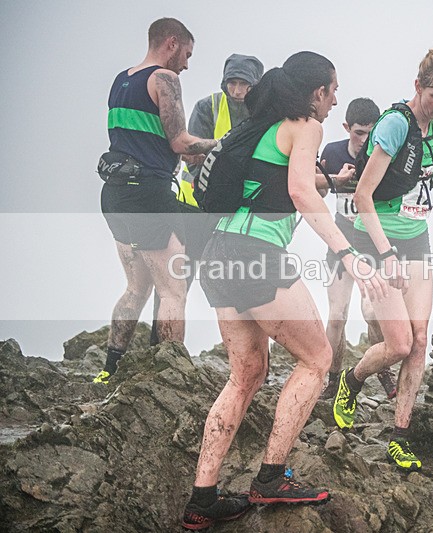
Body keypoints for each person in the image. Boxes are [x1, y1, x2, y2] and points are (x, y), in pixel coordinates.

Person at [181, 51, 389, 530]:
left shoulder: (261, 126)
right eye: (333, 90)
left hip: (217, 254)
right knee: (317, 359)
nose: (336, 100)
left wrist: (328, 181)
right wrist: (347, 254)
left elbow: (281, 177)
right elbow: (299, 191)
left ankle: (202, 499)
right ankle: (271, 477)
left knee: (246, 373)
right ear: (316, 92)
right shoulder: (306, 125)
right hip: (255, 256)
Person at [332, 49, 433, 472]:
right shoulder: (395, 124)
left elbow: (412, 178)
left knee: (420, 341)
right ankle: (351, 382)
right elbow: (363, 195)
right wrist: (386, 254)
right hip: (376, 242)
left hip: (416, 240)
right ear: (418, 87)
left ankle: (400, 436)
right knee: (398, 344)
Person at [96, 18, 217, 384]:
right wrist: (224, 147)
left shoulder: (122, 80)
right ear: (171, 43)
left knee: (137, 287)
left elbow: (145, 138)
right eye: (187, 54)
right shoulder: (165, 79)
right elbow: (179, 141)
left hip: (115, 193)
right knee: (173, 289)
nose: (186, 64)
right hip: (147, 194)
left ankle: (110, 369)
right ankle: (168, 376)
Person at [150, 53, 264, 346]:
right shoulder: (208, 107)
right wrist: (217, 187)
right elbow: (190, 156)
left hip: (234, 214)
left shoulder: (261, 114)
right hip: (193, 207)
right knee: (176, 280)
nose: (237, 91)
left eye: (244, 85)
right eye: (232, 83)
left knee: (237, 281)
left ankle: (245, 353)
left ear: (256, 86)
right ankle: (159, 347)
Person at [318, 98, 398, 400]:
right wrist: (329, 178)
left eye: (370, 133)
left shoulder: (382, 154)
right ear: (346, 128)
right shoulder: (333, 152)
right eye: (359, 133)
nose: (364, 140)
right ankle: (333, 379)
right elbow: (317, 190)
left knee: (372, 313)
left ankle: (382, 367)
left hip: (370, 244)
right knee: (337, 314)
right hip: (340, 241)